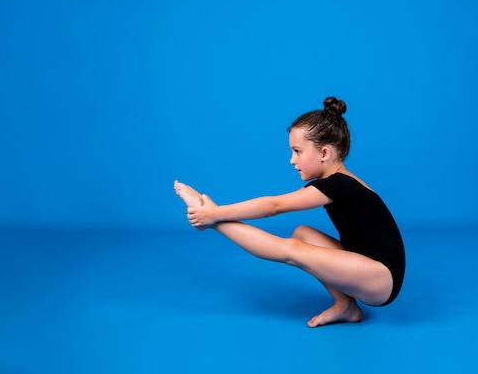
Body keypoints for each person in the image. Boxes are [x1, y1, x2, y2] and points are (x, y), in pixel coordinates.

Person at [174, 97, 405, 327]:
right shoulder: (339, 181)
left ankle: (213, 220)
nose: (292, 160)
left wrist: (217, 214)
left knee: (293, 250)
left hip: (382, 278)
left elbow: (274, 206)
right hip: (370, 266)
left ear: (324, 153)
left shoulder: (338, 184)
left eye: (297, 151)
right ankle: (346, 306)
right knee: (303, 233)